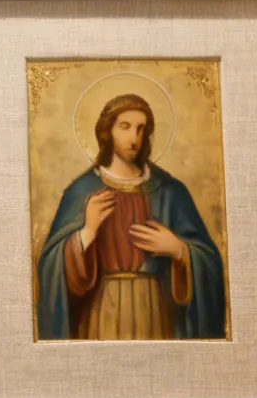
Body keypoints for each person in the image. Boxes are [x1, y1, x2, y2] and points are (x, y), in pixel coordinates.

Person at [35, 94, 226, 340]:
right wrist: (86, 233)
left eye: (140, 128)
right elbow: (51, 267)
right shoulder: (82, 191)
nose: (134, 137)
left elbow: (210, 262)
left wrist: (180, 251)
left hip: (156, 313)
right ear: (108, 131)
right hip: (101, 312)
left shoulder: (169, 191)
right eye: (125, 127)